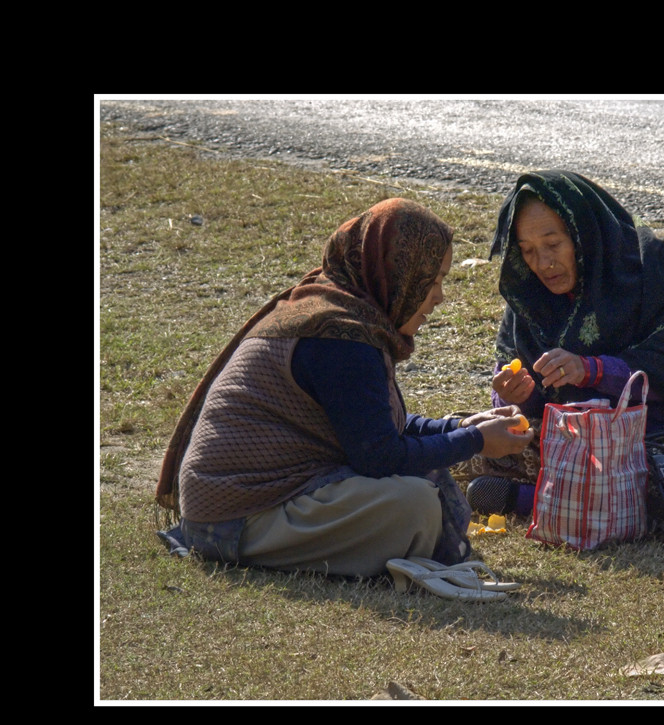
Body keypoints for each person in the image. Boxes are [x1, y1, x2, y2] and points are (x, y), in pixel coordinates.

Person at [155, 198, 533, 577]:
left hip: (248, 507)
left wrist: (464, 428)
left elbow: (377, 430)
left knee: (419, 489)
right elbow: (380, 457)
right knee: (414, 504)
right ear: (397, 273)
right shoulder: (342, 338)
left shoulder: (342, 314)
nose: (439, 297)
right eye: (430, 280)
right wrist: (476, 442)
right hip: (234, 520)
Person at [460, 170, 664, 518]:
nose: (542, 263)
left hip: (659, 434)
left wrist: (590, 370)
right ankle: (579, 498)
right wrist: (514, 394)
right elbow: (516, 394)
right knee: (466, 442)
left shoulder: (655, 276)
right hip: (569, 440)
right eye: (527, 250)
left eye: (553, 244)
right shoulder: (528, 295)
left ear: (585, 234)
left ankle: (530, 500)